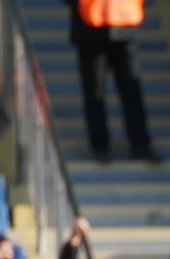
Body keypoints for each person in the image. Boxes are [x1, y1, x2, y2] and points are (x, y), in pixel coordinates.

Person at [65, 0, 159, 162]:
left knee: (131, 89)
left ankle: (140, 145)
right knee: (95, 92)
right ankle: (100, 147)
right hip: (90, 26)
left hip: (124, 23)